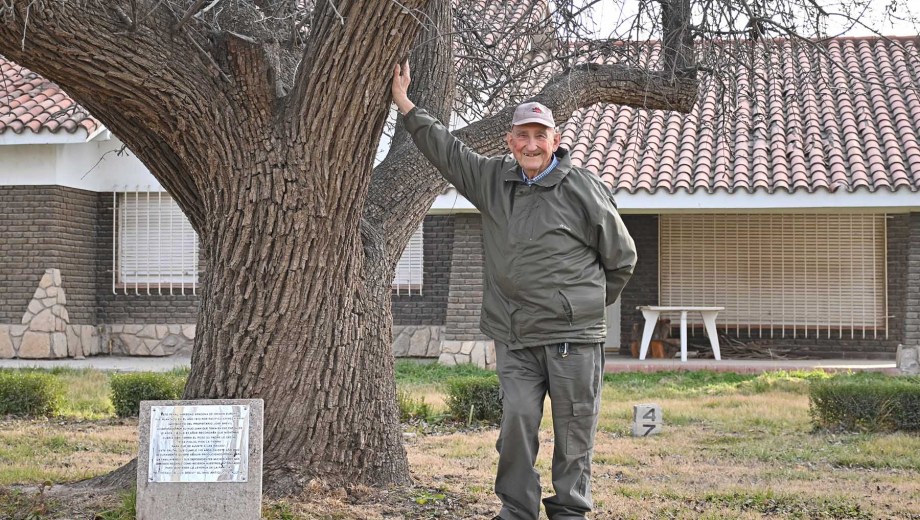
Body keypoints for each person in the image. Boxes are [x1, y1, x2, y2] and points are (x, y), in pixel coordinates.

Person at [391, 62, 637, 520]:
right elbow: (447, 151)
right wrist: (407, 107)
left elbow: (621, 258)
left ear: (555, 141)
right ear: (510, 141)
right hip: (516, 336)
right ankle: (516, 509)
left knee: (574, 430)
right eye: (522, 135)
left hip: (573, 338)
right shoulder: (492, 181)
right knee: (517, 423)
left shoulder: (582, 188)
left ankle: (569, 511)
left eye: (539, 136)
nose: (531, 145)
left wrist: (579, 305)